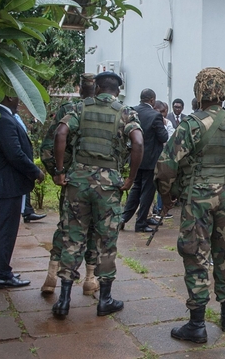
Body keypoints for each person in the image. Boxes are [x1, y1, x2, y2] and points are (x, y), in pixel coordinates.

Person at [155, 67, 225, 344]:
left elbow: (165, 167)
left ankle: (197, 324)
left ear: (199, 92)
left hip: (198, 197)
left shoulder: (190, 124)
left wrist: (166, 196)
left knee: (195, 254)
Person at [50, 71, 144, 319]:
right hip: (108, 186)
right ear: (117, 90)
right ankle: (104, 300)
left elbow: (60, 134)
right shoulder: (125, 112)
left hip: (77, 181)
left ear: (98, 87)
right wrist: (130, 178)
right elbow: (138, 142)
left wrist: (60, 172)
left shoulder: (80, 108)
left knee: (73, 238)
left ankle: (63, 301)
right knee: (106, 240)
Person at [41, 73, 100, 295]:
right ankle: (90, 279)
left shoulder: (69, 110)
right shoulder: (110, 110)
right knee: (95, 230)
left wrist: (59, 173)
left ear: (79, 89)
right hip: (102, 185)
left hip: (74, 182)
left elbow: (48, 146)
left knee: (67, 227)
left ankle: (51, 277)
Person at [0, 96, 44, 289]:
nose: (21, 100)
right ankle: (2, 274)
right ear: (9, 97)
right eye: (18, 96)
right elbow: (14, 153)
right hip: (6, 185)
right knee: (5, 231)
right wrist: (35, 171)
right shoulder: (4, 120)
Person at [121, 88, 169, 233]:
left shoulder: (132, 111)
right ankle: (141, 222)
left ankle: (123, 218)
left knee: (136, 188)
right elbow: (164, 137)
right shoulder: (155, 116)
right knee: (148, 192)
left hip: (135, 158)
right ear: (152, 100)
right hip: (150, 160)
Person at [11, 112, 47, 223]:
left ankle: (27, 211)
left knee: (25, 185)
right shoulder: (8, 118)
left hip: (24, 159)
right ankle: (26, 211)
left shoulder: (15, 116)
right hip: (18, 161)